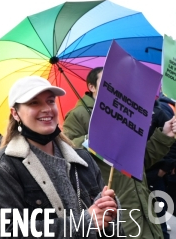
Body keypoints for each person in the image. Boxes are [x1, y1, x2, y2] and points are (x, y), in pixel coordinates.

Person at [0, 76, 124, 237]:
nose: (46, 108)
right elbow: (8, 231)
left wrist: (109, 215)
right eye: (34, 103)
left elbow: (114, 230)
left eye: (50, 101)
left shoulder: (83, 159)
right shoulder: (4, 167)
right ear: (15, 113)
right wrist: (84, 223)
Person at [63, 68, 176, 238]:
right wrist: (94, 136)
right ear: (92, 87)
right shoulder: (78, 115)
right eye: (106, 80)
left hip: (142, 206)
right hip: (116, 211)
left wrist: (165, 135)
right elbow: (67, 151)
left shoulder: (125, 112)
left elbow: (140, 160)